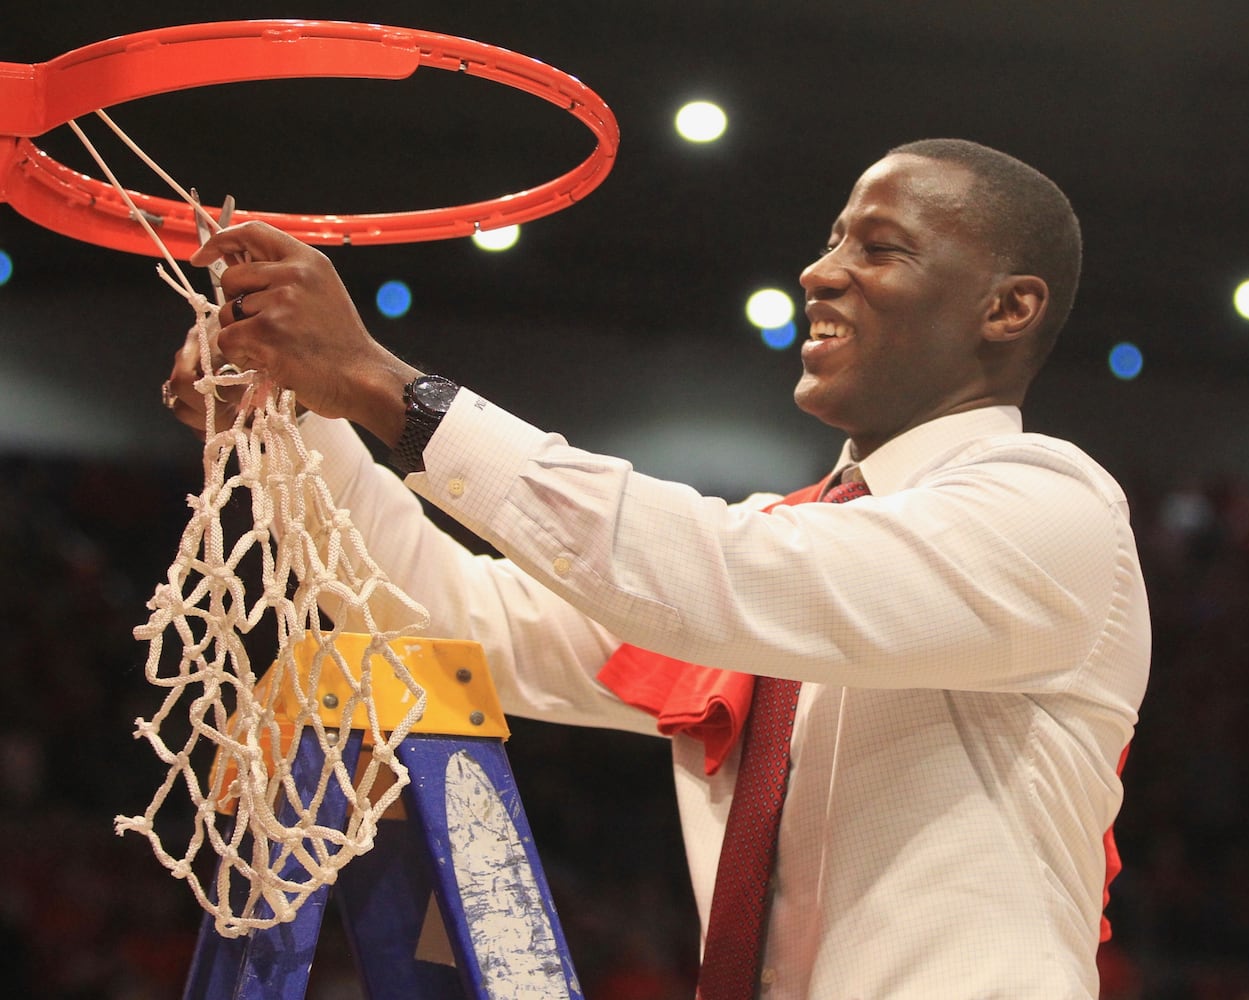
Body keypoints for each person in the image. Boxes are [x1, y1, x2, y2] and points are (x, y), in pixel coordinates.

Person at [166, 138, 1151, 998]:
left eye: (879, 247)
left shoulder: (1054, 511)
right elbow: (450, 617)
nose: (821, 271)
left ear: (1008, 307)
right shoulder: (782, 564)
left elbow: (724, 576)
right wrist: (291, 417)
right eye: (833, 239)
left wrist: (385, 386)